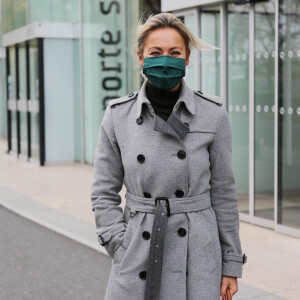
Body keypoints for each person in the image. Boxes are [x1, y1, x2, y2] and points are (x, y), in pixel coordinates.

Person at [90, 12, 247, 300]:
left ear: (187, 58)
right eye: (156, 52)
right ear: (141, 58)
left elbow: (224, 194)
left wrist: (231, 263)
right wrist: (118, 242)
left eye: (175, 52)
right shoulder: (118, 116)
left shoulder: (212, 114)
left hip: (197, 253)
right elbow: (103, 191)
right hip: (137, 246)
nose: (165, 60)